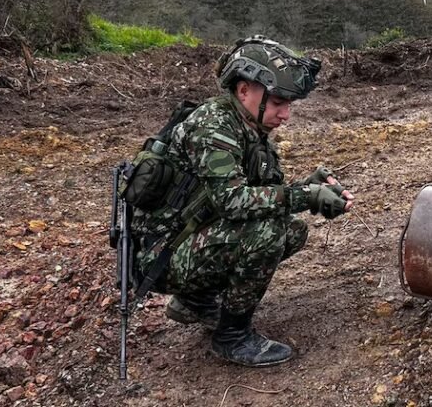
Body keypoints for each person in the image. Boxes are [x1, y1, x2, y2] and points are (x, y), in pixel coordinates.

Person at [130, 35, 354, 367]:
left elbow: (265, 195)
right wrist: (307, 196)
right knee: (267, 234)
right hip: (160, 258)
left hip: (187, 241)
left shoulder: (249, 128)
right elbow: (234, 202)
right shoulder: (214, 126)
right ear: (244, 90)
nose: (285, 115)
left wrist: (312, 187)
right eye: (278, 102)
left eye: (288, 104)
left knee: (290, 230)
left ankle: (194, 300)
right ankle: (232, 336)